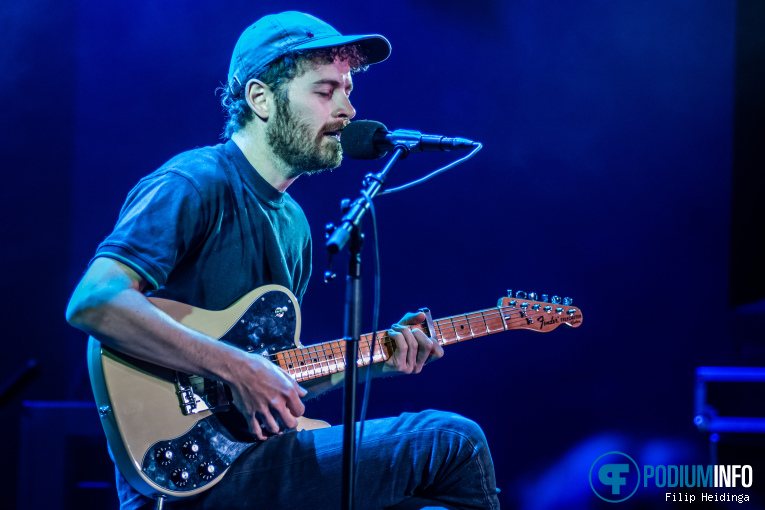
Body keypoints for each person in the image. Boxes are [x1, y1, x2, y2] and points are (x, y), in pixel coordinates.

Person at [66, 11, 500, 510]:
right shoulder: (194, 183)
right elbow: (95, 301)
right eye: (324, 91)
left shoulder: (293, 225)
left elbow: (277, 376)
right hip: (185, 477)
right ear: (260, 99)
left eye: (348, 89)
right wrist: (238, 369)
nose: (348, 109)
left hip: (252, 457)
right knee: (453, 443)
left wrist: (379, 358)